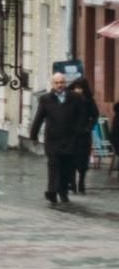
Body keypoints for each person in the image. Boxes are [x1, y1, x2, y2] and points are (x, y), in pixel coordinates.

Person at [30, 72, 82, 203]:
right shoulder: (46, 99)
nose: (59, 85)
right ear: (52, 84)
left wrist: (79, 132)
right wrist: (33, 135)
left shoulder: (75, 97)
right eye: (57, 83)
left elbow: (81, 116)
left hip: (69, 140)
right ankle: (52, 191)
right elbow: (39, 118)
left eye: (62, 82)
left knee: (66, 168)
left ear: (66, 83)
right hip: (53, 140)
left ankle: (63, 191)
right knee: (53, 166)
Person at [69, 78, 99, 195]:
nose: (78, 90)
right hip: (71, 135)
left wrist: (88, 127)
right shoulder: (68, 99)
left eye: (80, 88)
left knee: (82, 160)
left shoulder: (89, 101)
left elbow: (95, 115)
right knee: (70, 159)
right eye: (76, 87)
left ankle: (81, 182)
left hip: (84, 135)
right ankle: (72, 183)